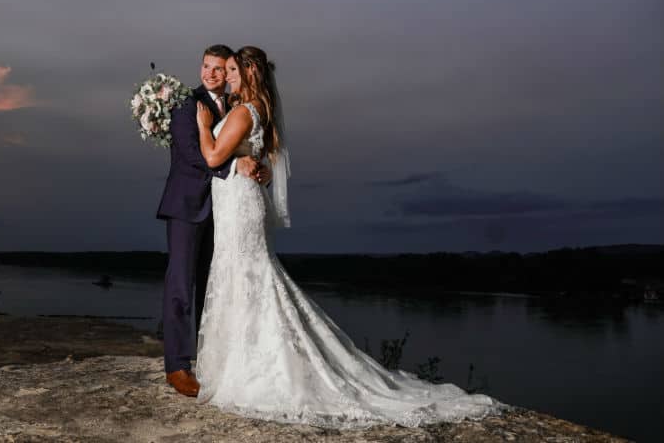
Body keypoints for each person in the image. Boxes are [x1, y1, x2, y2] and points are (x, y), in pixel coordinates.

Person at [193, 46, 506, 428]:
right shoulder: (257, 110)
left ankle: (255, 371)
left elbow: (211, 158)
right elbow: (259, 162)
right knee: (246, 279)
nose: (225, 76)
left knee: (246, 277)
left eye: (230, 70)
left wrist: (201, 125)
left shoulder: (243, 111)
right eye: (220, 70)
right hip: (238, 203)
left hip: (240, 207)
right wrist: (251, 163)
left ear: (248, 72)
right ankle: (242, 362)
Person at [156, 44, 266, 397]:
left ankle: (209, 359)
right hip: (187, 207)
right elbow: (192, 155)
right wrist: (236, 164)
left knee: (212, 286)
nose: (211, 74)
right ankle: (176, 365)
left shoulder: (236, 105)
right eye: (206, 66)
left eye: (219, 68)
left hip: (223, 208)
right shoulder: (187, 104)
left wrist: (255, 164)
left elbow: (242, 143)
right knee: (180, 287)